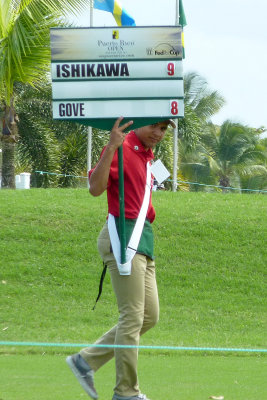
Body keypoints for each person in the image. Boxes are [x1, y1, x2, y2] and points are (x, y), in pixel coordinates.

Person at [66, 116, 175, 400]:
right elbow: (95, 188)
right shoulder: (121, 146)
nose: (159, 133)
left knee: (149, 316)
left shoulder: (147, 156)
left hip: (143, 238)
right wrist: (112, 147)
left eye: (163, 128)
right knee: (132, 317)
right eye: (154, 125)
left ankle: (85, 361)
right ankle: (126, 393)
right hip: (122, 235)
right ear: (138, 123)